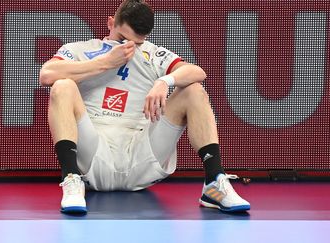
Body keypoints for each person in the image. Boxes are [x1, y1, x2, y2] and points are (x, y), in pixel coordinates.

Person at [39, 0, 250, 214]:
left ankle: (214, 182)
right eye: (122, 39)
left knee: (193, 90)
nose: (128, 49)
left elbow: (197, 72)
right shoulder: (80, 50)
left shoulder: (154, 55)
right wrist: (105, 63)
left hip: (142, 153)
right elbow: (46, 74)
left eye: (136, 43)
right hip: (94, 155)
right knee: (62, 86)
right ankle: (71, 179)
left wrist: (164, 82)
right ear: (110, 23)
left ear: (145, 37)